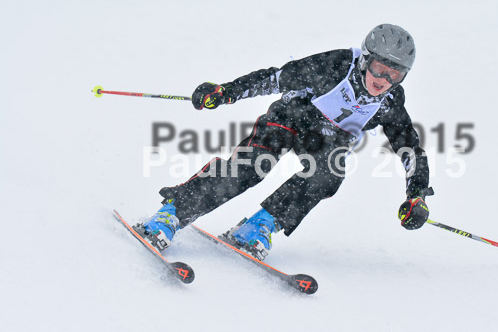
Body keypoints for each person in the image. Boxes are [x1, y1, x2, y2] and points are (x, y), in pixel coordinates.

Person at [139, 24, 434, 260]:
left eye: (395, 74)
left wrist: (416, 194)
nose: (383, 80)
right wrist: (226, 92)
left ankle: (257, 227)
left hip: (326, 139)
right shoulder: (336, 65)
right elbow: (276, 78)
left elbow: (410, 148)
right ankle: (171, 214)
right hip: (291, 118)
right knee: (252, 167)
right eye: (379, 68)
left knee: (329, 174)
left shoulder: (391, 101)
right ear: (365, 60)